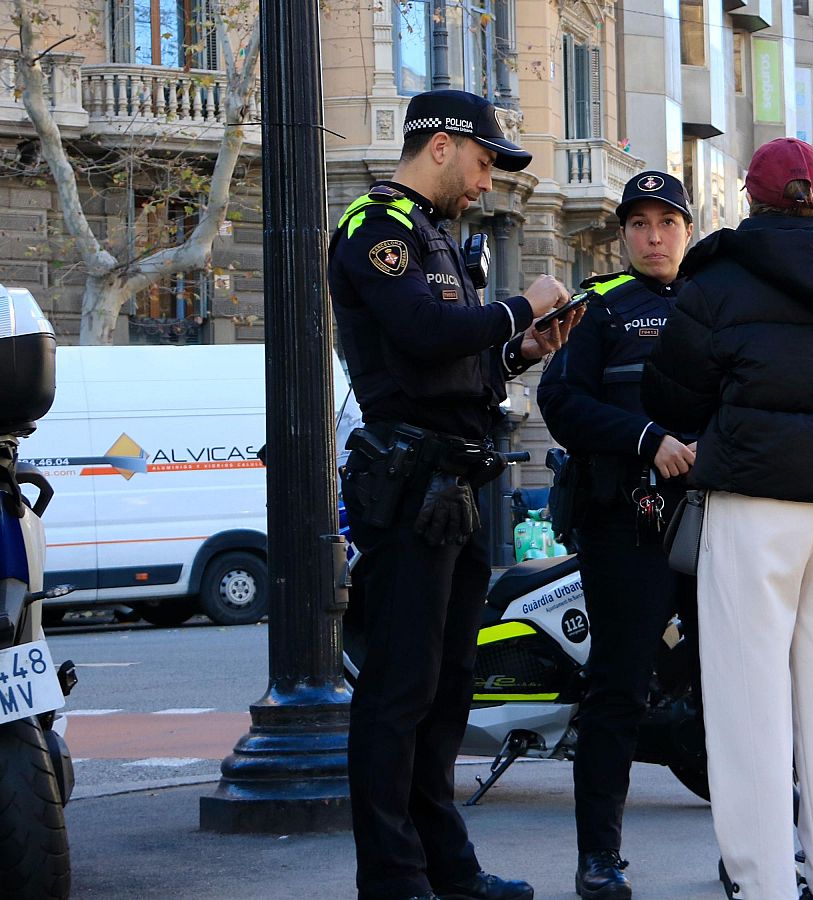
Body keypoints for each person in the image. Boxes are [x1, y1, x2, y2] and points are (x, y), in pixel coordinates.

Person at [641, 137, 813, 900]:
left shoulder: (721, 277)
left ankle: (762, 881)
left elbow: (671, 397)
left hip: (754, 502)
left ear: (752, 201)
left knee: (746, 701)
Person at [331, 89, 576, 900]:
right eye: (481, 164)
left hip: (456, 487)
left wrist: (520, 347)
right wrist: (520, 304)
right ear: (440, 146)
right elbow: (424, 336)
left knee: (446, 687)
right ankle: (394, 878)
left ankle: (446, 868)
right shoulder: (379, 227)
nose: (485, 185)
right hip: (410, 488)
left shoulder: (435, 233)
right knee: (400, 689)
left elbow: (448, 365)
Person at [535, 170, 698, 899]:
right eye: (639, 224)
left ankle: (758, 851)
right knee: (618, 690)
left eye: (667, 222)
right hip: (627, 526)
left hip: (715, 522)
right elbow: (559, 399)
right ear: (624, 234)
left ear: (688, 229)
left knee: (738, 687)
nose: (653, 236)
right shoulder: (599, 307)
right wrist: (645, 438)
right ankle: (599, 860)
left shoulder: (718, 300)